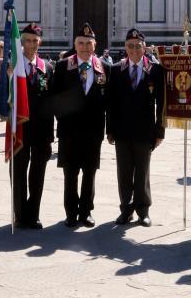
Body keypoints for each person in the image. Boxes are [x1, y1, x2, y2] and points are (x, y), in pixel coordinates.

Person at [52, 22, 111, 228]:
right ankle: (70, 212)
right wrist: (63, 120)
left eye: (89, 43)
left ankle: (86, 211)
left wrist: (109, 129)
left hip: (94, 131)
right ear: (75, 45)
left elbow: (109, 102)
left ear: (95, 46)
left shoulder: (105, 68)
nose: (85, 47)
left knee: (89, 172)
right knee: (70, 173)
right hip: (69, 131)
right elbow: (55, 98)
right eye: (81, 43)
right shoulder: (62, 67)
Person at [107, 28, 165, 227]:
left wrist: (160, 131)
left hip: (144, 131)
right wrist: (110, 130)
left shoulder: (155, 70)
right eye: (130, 46)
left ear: (144, 47)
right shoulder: (116, 69)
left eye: (137, 46)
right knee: (123, 172)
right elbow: (110, 103)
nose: (133, 50)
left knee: (142, 172)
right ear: (125, 47)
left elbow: (162, 103)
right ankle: (126, 210)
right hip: (122, 131)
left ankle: (143, 210)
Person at [10, 23, 55, 229]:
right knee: (18, 172)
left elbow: (53, 100)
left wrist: (52, 134)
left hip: (41, 130)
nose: (31, 44)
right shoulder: (13, 66)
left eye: (35, 41)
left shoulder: (47, 67)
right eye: (27, 40)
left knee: (38, 174)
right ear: (21, 42)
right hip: (19, 128)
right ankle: (20, 214)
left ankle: (33, 213)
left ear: (40, 42)